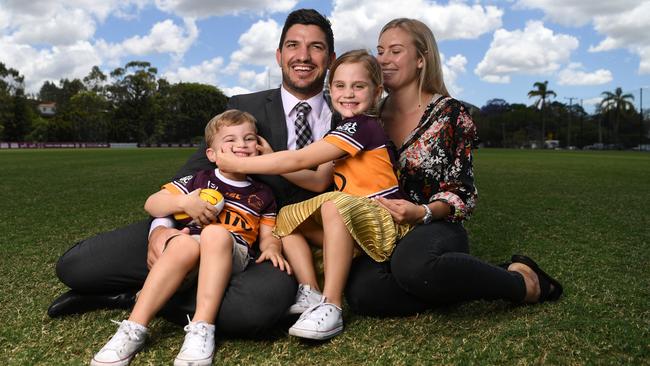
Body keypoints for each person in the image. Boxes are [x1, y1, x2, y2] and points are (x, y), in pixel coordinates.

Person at [48, 8, 337, 337]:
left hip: (263, 244)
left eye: (315, 47)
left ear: (330, 57)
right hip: (200, 226)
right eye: (293, 45)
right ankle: (158, 284)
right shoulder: (244, 107)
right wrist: (161, 229)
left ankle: (138, 296)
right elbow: (190, 176)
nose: (303, 56)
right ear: (278, 54)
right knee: (77, 267)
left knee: (254, 312)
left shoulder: (346, 118)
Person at [344, 18, 563, 316]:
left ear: (421, 59)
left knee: (413, 267)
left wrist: (422, 213)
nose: (383, 59)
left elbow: (463, 192)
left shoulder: (450, 114)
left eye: (395, 51)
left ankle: (524, 283)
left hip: (435, 226)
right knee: (364, 295)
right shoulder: (369, 116)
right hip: (384, 230)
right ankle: (462, 278)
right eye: (380, 51)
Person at [216, 49, 409, 340]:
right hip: (357, 222)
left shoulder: (363, 126)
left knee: (334, 206)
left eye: (359, 86)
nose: (349, 93)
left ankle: (333, 306)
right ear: (330, 90)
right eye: (341, 86)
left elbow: (299, 160)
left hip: (386, 221)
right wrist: (273, 156)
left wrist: (237, 163)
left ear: (377, 91)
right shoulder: (344, 130)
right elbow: (319, 180)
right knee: (286, 220)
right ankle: (312, 293)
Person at [91, 110, 289, 366]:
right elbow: (152, 203)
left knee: (215, 234)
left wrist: (272, 248)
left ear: (259, 147)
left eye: (249, 138)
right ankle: (133, 328)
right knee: (183, 242)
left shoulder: (263, 193)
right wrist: (184, 201)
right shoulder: (199, 180)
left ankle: (202, 328)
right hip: (190, 253)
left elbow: (268, 234)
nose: (241, 144)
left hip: (232, 252)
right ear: (212, 154)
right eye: (230, 140)